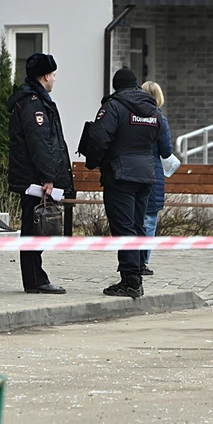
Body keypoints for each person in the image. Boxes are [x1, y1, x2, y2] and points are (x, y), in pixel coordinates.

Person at [81, 68, 161, 298]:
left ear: (116, 86)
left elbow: (99, 138)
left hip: (121, 174)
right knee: (136, 226)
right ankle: (135, 275)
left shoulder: (113, 106)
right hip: (146, 175)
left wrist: (94, 162)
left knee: (124, 228)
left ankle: (131, 281)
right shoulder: (152, 109)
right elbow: (158, 136)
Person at [6, 53, 74, 294]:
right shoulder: (34, 103)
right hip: (34, 179)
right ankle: (35, 280)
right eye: (53, 75)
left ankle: (35, 278)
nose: (55, 79)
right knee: (34, 227)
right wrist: (48, 177)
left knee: (34, 227)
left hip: (32, 176)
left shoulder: (33, 100)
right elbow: (40, 143)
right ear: (46, 76)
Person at [140, 81, 174, 276]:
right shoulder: (159, 119)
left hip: (131, 173)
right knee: (150, 219)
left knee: (135, 218)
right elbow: (166, 151)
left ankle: (132, 259)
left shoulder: (130, 116)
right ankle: (143, 261)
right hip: (153, 173)